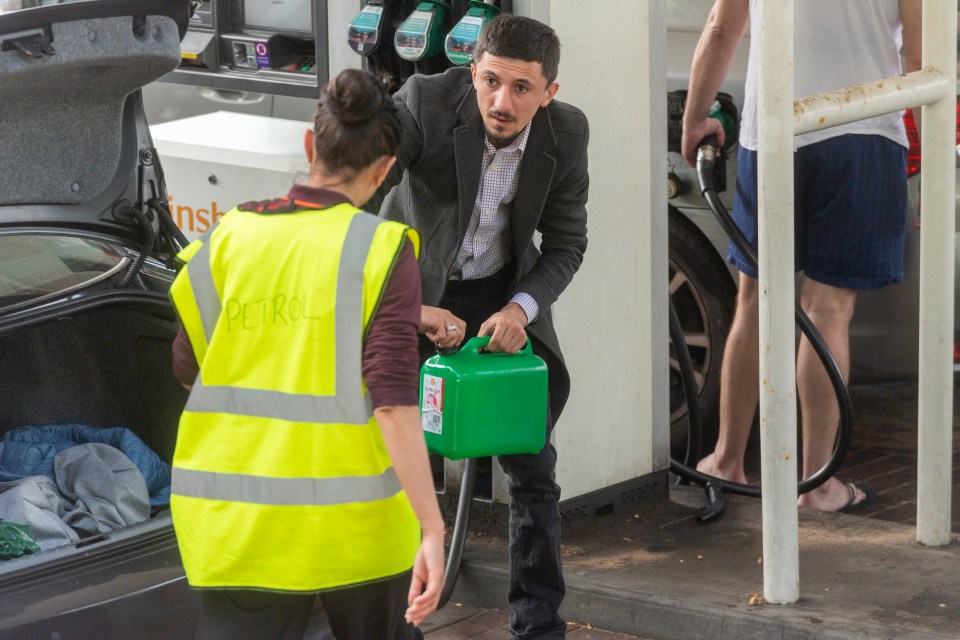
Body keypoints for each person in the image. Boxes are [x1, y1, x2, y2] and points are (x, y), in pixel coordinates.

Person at [167, 68, 445, 640]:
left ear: (310, 145)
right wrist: (432, 529)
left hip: (236, 522)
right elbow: (392, 400)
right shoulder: (382, 249)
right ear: (385, 171)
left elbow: (188, 368)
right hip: (356, 530)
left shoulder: (227, 238)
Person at [366, 13, 589, 640]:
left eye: (522, 88)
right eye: (491, 81)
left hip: (498, 296)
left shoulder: (566, 134)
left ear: (550, 93)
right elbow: (352, 206)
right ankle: (393, 624)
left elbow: (568, 244)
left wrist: (521, 309)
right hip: (405, 283)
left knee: (533, 465)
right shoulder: (425, 104)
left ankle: (539, 627)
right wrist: (405, 306)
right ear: (473, 71)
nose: (501, 101)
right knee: (390, 458)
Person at [680, 0, 921, 512]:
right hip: (864, 131)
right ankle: (817, 485)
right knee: (827, 310)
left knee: (755, 301)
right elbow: (923, 65)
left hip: (773, 130)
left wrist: (695, 116)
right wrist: (937, 174)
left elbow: (723, 27)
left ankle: (726, 461)